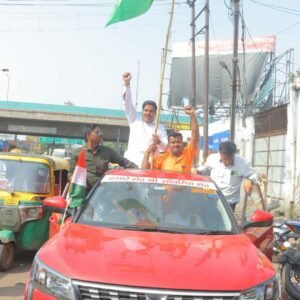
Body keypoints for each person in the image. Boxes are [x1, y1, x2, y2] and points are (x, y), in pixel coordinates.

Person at [69, 124, 137, 193]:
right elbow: (71, 175)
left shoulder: (107, 151)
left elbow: (124, 162)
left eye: (101, 132)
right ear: (88, 135)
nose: (101, 135)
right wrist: (78, 183)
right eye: (97, 132)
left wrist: (139, 171)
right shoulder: (77, 153)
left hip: (102, 192)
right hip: (83, 193)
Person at [122, 72, 168, 168]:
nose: (147, 113)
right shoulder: (134, 120)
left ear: (155, 113)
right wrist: (127, 85)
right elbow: (127, 103)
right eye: (145, 110)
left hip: (150, 164)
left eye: (151, 111)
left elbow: (165, 147)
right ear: (142, 111)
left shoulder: (160, 127)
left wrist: (159, 142)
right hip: (131, 161)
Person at [198, 141, 257, 212]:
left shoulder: (243, 163)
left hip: (229, 202)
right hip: (212, 198)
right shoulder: (212, 159)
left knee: (226, 223)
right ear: (219, 153)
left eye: (230, 159)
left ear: (234, 154)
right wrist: (198, 171)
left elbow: (253, 174)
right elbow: (205, 170)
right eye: (225, 159)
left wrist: (250, 180)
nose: (227, 162)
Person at [142, 105, 199, 172]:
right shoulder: (162, 157)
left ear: (182, 143)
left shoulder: (188, 153)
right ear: (169, 145)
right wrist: (147, 153)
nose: (176, 144)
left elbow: (195, 136)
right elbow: (145, 172)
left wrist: (192, 115)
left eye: (178, 142)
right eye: (173, 142)